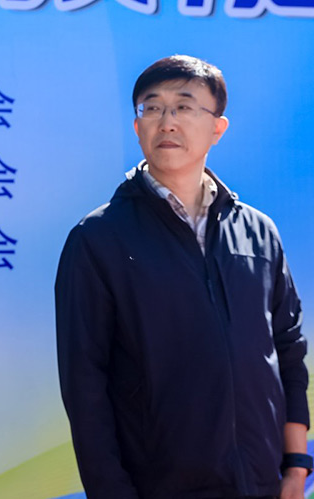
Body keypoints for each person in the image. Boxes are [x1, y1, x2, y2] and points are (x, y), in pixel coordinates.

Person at [55, 55, 309, 499]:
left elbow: (287, 351)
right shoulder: (98, 239)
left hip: (263, 483)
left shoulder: (258, 232)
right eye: (152, 108)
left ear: (217, 128)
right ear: (138, 127)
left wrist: (296, 465)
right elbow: (85, 385)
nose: (167, 121)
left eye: (184, 107)